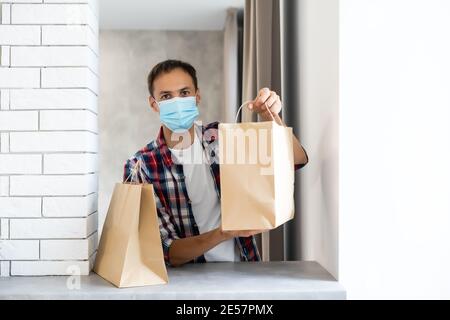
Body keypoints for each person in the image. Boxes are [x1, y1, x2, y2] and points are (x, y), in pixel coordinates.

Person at [123, 59, 308, 267]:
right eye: (166, 96)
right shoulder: (142, 166)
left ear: (197, 96)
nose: (177, 102)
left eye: (184, 93)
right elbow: (163, 251)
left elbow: (295, 161)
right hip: (186, 284)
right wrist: (223, 233)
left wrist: (270, 116)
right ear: (153, 104)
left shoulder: (222, 138)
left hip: (246, 269)